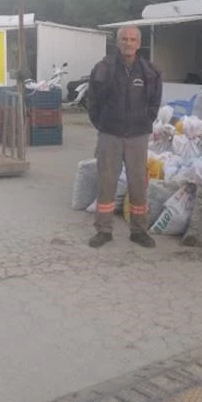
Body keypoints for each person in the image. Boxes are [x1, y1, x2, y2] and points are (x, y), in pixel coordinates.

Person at [86, 25, 163, 249]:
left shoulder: (150, 72)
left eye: (132, 39)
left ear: (139, 43)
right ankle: (103, 230)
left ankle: (139, 230)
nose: (128, 43)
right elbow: (93, 102)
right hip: (110, 134)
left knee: (138, 183)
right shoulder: (103, 68)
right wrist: (102, 124)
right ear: (117, 42)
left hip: (138, 136)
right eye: (124, 39)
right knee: (106, 182)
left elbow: (154, 104)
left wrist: (145, 122)